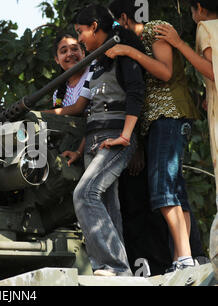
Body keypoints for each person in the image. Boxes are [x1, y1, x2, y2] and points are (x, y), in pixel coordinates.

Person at [106, 0, 202, 272]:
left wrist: (129, 51)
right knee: (175, 191)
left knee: (163, 190)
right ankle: (184, 257)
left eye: (114, 25)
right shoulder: (139, 41)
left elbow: (165, 71)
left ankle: (183, 257)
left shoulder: (155, 30)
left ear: (123, 18)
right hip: (157, 122)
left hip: (168, 117)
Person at [53, 4, 146, 276]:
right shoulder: (97, 60)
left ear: (94, 26)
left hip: (115, 137)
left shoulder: (121, 51)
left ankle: (112, 266)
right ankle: (121, 273)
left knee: (84, 194)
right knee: (106, 205)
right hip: (94, 139)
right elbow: (92, 110)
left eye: (81, 32)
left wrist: (126, 136)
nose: (79, 39)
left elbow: (136, 93)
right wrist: (80, 150)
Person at [153, 0, 217, 277]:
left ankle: (184, 256)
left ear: (199, 8)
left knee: (167, 188)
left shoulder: (205, 27)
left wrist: (179, 43)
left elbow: (213, 70)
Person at [44, 33, 88, 165]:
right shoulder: (58, 92)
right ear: (57, 59)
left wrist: (39, 115)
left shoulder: (92, 73)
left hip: (94, 140)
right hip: (71, 153)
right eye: (64, 51)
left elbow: (78, 108)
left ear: (83, 53)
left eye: (75, 49)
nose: (70, 54)